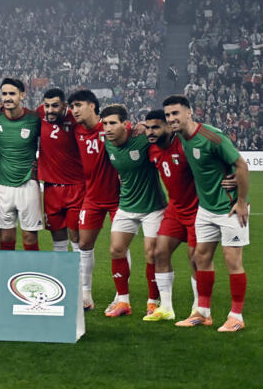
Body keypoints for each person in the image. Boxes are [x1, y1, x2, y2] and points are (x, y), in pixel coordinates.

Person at [164, 95, 250, 332]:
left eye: (175, 113)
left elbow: (242, 165)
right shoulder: (180, 137)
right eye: (168, 115)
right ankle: (203, 313)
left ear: (189, 113)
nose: (171, 119)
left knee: (232, 260)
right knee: (201, 257)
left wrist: (242, 202)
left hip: (229, 207)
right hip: (206, 208)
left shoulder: (212, 136)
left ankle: (236, 316)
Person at [100, 105, 166, 317]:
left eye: (113, 123)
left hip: (152, 207)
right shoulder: (107, 145)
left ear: (125, 124)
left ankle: (153, 302)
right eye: (105, 124)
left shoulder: (142, 138)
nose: (108, 128)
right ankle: (123, 302)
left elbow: (165, 131)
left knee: (151, 254)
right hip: (126, 205)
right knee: (116, 249)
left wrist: (146, 125)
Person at [144, 109, 199, 322]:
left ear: (169, 126)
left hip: (197, 210)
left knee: (196, 259)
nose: (151, 132)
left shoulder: (185, 146)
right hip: (175, 209)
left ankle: (198, 308)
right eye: (148, 127)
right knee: (159, 252)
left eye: (156, 127)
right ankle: (166, 308)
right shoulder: (152, 150)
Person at [68, 89, 121, 311]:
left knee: (119, 246)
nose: (74, 110)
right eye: (72, 106)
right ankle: (86, 296)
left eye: (79, 105)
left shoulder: (109, 127)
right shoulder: (77, 130)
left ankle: (121, 295)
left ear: (92, 106)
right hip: (92, 197)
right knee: (83, 244)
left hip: (119, 198)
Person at [0, 78, 42, 250]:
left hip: (28, 182)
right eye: (4, 94)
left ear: (22, 95)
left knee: (29, 235)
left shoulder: (35, 119)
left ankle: (32, 273)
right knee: (6, 236)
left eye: (12, 94)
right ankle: (7, 275)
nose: (7, 98)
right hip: (4, 184)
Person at [37, 88, 85, 255]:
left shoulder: (76, 119)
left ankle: (82, 281)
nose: (50, 110)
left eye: (55, 106)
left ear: (64, 105)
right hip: (51, 188)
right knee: (57, 238)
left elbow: (99, 126)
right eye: (47, 105)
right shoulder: (39, 115)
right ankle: (63, 279)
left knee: (77, 237)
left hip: (76, 187)